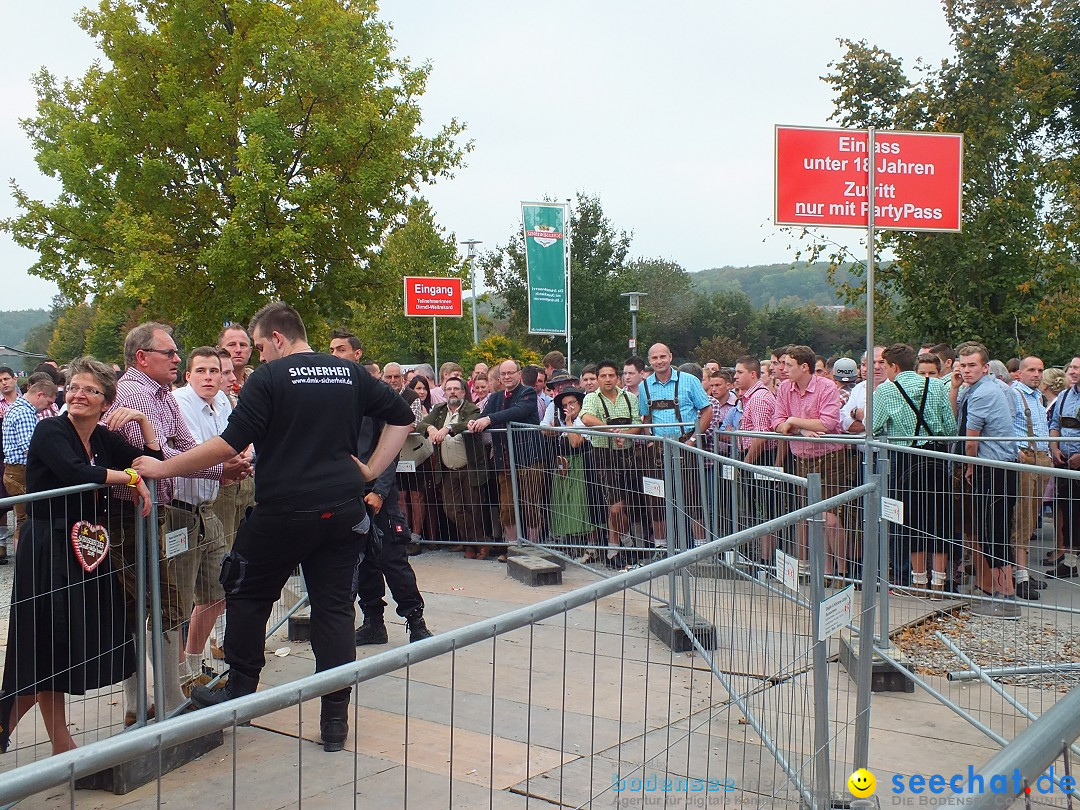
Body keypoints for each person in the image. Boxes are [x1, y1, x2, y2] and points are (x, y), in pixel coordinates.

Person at [135, 301, 413, 753]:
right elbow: (403, 416)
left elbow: (228, 444)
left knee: (245, 591)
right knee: (335, 608)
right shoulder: (349, 373)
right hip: (343, 509)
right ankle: (335, 717)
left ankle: (240, 690)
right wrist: (368, 469)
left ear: (278, 338)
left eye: (261, 346)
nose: (260, 356)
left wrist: (164, 468)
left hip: (284, 510)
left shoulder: (269, 378)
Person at [0, 356, 157, 755]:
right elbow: (75, 472)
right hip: (47, 547)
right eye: (73, 387)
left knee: (65, 646)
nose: (78, 395)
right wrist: (130, 480)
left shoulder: (104, 438)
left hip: (83, 548)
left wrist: (143, 421)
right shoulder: (50, 430)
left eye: (90, 389)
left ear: (106, 401)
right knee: (44, 644)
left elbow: (150, 462)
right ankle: (49, 741)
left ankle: (52, 743)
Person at [872, 344, 957, 596]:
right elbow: (950, 428)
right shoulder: (936, 386)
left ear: (894, 366)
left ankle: (919, 582)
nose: (883, 370)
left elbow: (874, 427)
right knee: (939, 518)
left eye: (885, 366)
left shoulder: (885, 391)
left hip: (906, 458)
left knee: (911, 519)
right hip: (936, 457)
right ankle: (939, 582)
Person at [173, 348, 232, 688]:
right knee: (177, 602)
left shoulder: (217, 404)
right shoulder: (182, 404)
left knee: (217, 591)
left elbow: (233, 444)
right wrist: (226, 465)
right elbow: (197, 451)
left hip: (207, 509)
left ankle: (193, 668)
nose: (209, 377)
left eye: (214, 370)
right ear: (189, 375)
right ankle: (181, 676)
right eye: (202, 371)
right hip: (180, 511)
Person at [952, 343, 1021, 617]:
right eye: (963, 364)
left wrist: (970, 466)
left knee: (994, 533)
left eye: (971, 365)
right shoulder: (987, 388)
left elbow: (971, 439)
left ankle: (1007, 599)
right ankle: (1001, 595)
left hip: (992, 468)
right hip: (996, 467)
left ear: (985, 367)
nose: (966, 370)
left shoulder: (984, 393)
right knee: (993, 531)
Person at [469, 359, 540, 557]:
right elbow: (484, 414)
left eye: (511, 373)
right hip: (504, 460)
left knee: (530, 504)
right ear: (499, 377)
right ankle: (513, 548)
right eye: (504, 374)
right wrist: (474, 422)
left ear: (519, 374)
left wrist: (489, 419)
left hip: (529, 459)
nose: (507, 377)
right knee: (507, 507)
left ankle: (533, 548)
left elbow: (518, 412)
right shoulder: (495, 397)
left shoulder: (527, 393)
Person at [419, 377, 490, 558]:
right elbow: (422, 423)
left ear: (463, 392)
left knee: (473, 508)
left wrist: (447, 428)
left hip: (469, 467)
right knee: (451, 508)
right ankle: (477, 541)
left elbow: (469, 423)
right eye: (449, 389)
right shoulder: (439, 410)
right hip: (447, 469)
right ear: (444, 392)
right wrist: (431, 429)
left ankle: (474, 545)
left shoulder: (471, 408)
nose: (452, 392)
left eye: (456, 389)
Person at [581, 360, 642, 564]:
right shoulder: (592, 398)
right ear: (598, 378)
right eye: (603, 376)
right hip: (604, 454)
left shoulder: (629, 398)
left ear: (618, 377)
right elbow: (587, 418)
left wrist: (625, 435)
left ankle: (615, 548)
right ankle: (625, 542)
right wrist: (611, 430)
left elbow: (637, 423)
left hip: (627, 454)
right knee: (615, 507)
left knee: (626, 505)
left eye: (611, 375)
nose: (607, 379)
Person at [1010, 356, 1053, 599]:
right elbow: (1005, 426)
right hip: (1026, 457)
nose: (1037, 374)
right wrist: (1018, 452)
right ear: (1020, 372)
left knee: (1032, 516)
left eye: (1040, 370)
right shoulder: (1015, 394)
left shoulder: (1037, 396)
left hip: (1041, 456)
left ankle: (1022, 569)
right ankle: (1020, 574)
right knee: (1023, 516)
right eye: (1032, 370)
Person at [2, 374, 59, 548]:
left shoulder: (16, 407)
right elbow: (31, 449)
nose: (47, 407)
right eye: (48, 403)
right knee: (26, 520)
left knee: (23, 519)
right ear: (39, 395)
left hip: (14, 470)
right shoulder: (25, 413)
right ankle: (24, 563)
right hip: (21, 471)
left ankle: (23, 562)